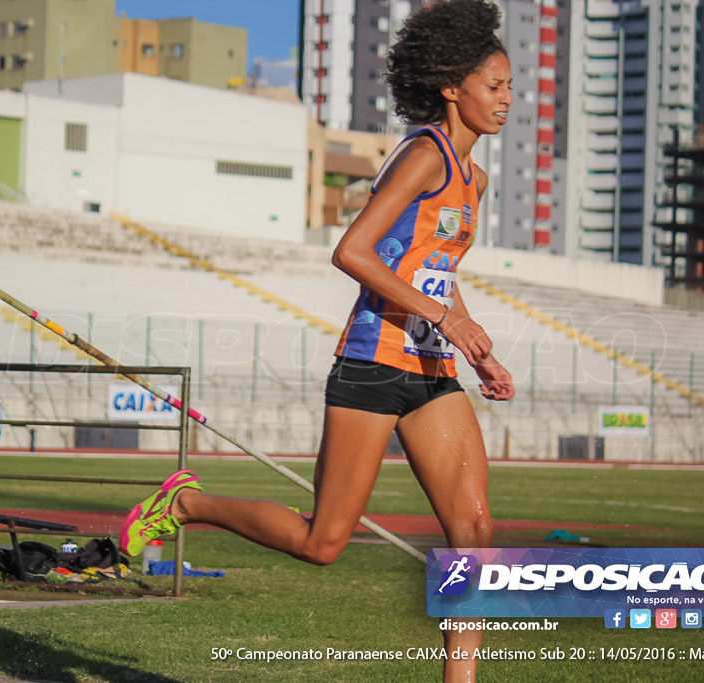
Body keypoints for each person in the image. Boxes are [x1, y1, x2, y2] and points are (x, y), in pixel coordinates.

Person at [121, 1, 513, 679]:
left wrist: (475, 345)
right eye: (495, 86)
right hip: (370, 364)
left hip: (430, 369)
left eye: (510, 87)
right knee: (323, 540)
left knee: (475, 534)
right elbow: (354, 251)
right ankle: (187, 503)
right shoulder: (425, 155)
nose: (508, 100)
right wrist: (448, 319)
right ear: (452, 87)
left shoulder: (474, 179)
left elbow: (431, 269)